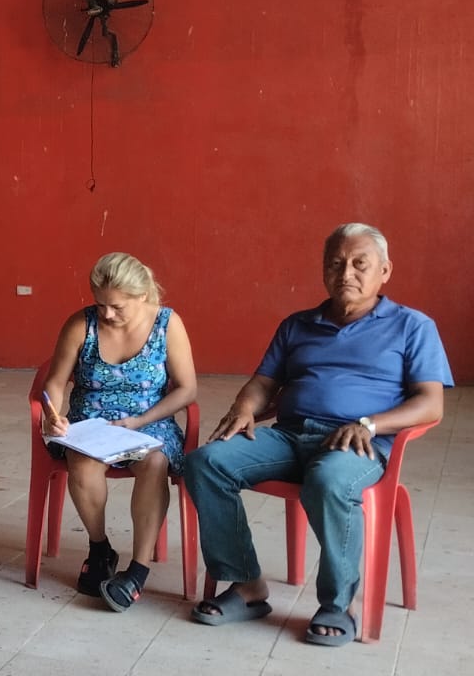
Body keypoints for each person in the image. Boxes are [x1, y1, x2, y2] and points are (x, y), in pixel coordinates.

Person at [184, 223, 451, 644]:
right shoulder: (298, 325)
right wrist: (245, 407)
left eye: (360, 264)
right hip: (290, 436)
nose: (346, 273)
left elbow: (431, 403)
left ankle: (338, 605)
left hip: (357, 444)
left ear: (385, 271)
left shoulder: (412, 326)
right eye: (336, 264)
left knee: (328, 480)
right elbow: (263, 383)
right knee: (205, 463)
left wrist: (370, 424)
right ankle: (247, 585)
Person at [40, 253, 198, 611]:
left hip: (149, 420)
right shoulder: (81, 324)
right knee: (82, 464)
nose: (107, 314)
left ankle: (137, 570)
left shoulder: (167, 324)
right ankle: (99, 548)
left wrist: (139, 421)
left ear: (142, 296)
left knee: (154, 463)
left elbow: (187, 389)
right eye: (101, 305)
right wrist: (53, 414)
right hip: (92, 423)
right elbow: (55, 381)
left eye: (117, 307)